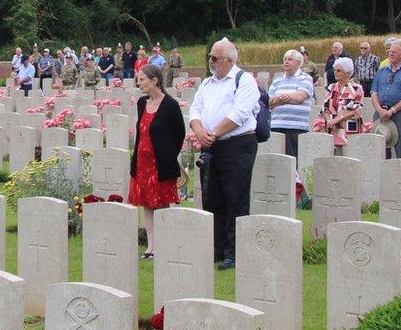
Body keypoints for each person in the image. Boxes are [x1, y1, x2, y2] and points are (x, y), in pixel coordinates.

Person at [189, 38, 259, 270]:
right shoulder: (208, 83)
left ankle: (235, 252)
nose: (211, 61)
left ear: (229, 60)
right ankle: (217, 249)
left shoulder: (244, 80)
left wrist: (215, 133)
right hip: (211, 144)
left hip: (236, 144)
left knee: (235, 198)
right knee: (213, 198)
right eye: (210, 57)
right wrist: (199, 131)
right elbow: (195, 109)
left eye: (215, 58)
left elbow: (240, 113)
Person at [129, 64, 186, 259]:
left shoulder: (170, 105)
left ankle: (163, 244)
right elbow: (142, 131)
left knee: (161, 203)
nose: (139, 83)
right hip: (141, 164)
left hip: (160, 165)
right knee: (146, 203)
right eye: (138, 79)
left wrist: (168, 155)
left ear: (155, 81)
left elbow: (179, 134)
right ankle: (151, 246)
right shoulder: (141, 103)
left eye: (142, 79)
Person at [371, 39, 401, 159]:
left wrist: (392, 110)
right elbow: (374, 92)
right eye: (389, 51)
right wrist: (379, 110)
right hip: (381, 113)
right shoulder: (381, 71)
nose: (390, 54)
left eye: (394, 52)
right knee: (380, 150)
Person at [267, 49, 314, 159]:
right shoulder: (277, 81)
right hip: (276, 125)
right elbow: (268, 102)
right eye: (284, 59)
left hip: (296, 127)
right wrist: (285, 98)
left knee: (293, 161)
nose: (286, 62)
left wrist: (278, 99)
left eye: (290, 59)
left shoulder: (305, 78)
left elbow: (300, 97)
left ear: (298, 63)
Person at [323, 57, 365, 150]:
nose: (335, 72)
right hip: (332, 129)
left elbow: (356, 109)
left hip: (349, 130)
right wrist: (329, 120)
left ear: (347, 73)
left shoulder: (357, 88)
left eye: (338, 71)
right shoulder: (332, 87)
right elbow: (325, 107)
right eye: (334, 70)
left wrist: (339, 118)